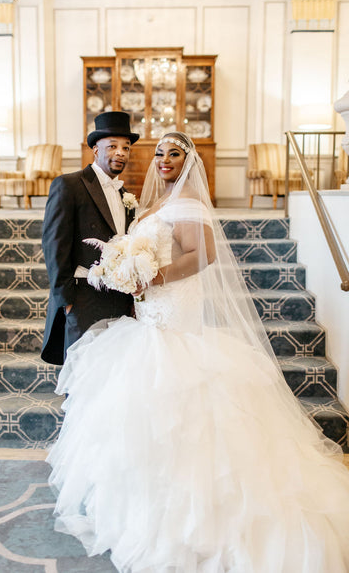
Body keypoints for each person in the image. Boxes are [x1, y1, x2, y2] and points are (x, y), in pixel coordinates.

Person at [47, 132, 349, 572]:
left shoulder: (188, 203)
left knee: (185, 420)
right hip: (147, 321)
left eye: (174, 154)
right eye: (159, 154)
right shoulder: (152, 203)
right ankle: (141, 511)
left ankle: (197, 523)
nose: (164, 160)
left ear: (189, 163)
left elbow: (202, 254)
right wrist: (127, 269)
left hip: (174, 318)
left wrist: (153, 277)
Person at [41, 111, 139, 366]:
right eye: (113, 146)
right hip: (83, 298)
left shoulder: (126, 196)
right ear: (96, 149)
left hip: (118, 298)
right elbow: (54, 246)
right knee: (81, 373)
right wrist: (67, 302)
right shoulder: (69, 185)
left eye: (126, 148)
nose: (121, 153)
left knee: (111, 372)